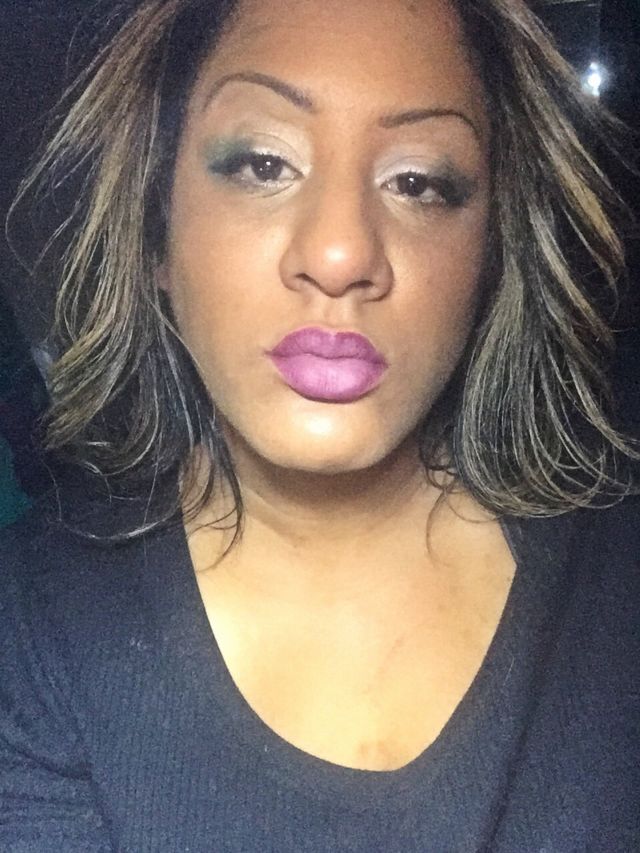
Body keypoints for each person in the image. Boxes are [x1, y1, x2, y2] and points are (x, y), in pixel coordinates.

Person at [1, 0, 638, 849]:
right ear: (158, 232)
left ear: (490, 254)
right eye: (264, 164)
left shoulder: (617, 571)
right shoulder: (34, 632)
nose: (340, 255)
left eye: (418, 182)